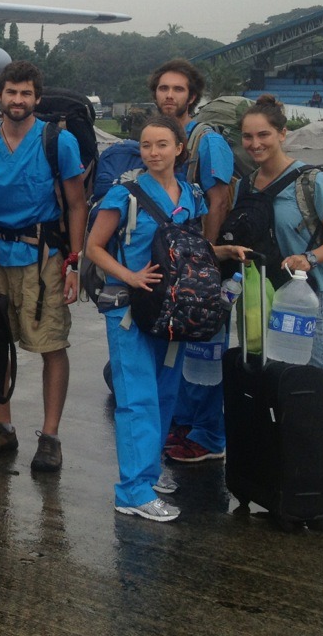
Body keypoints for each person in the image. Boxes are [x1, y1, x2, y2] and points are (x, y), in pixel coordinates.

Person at [86, 115, 246, 522]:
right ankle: (133, 491)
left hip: (171, 310)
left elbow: (190, 246)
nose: (153, 153)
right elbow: (94, 247)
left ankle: (151, 471)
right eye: (145, 145)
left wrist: (220, 253)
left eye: (161, 145)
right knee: (137, 399)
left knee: (163, 395)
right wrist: (130, 276)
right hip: (129, 309)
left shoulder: (191, 194)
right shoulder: (124, 194)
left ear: (179, 149)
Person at [0, 61, 86, 473]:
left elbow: (77, 203)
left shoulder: (57, 142)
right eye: (11, 92)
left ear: (37, 98)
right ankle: (3, 427)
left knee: (51, 344)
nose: (18, 100)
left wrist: (74, 262)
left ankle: (50, 437)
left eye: (26, 93)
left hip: (43, 257)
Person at [238, 94, 323, 492]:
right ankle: (294, 470)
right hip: (264, 299)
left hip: (308, 301)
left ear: (283, 134)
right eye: (248, 137)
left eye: (264, 135)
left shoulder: (314, 182)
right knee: (275, 384)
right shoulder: (246, 184)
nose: (255, 144)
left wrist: (309, 257)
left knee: (315, 384)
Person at [148, 59, 234, 465]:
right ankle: (183, 422)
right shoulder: (159, 139)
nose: (169, 96)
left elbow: (220, 200)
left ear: (192, 97)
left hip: (200, 263)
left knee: (207, 349)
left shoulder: (207, 141)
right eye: (164, 89)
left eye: (178, 89)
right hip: (174, 263)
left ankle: (208, 434)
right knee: (179, 344)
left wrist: (207, 259)